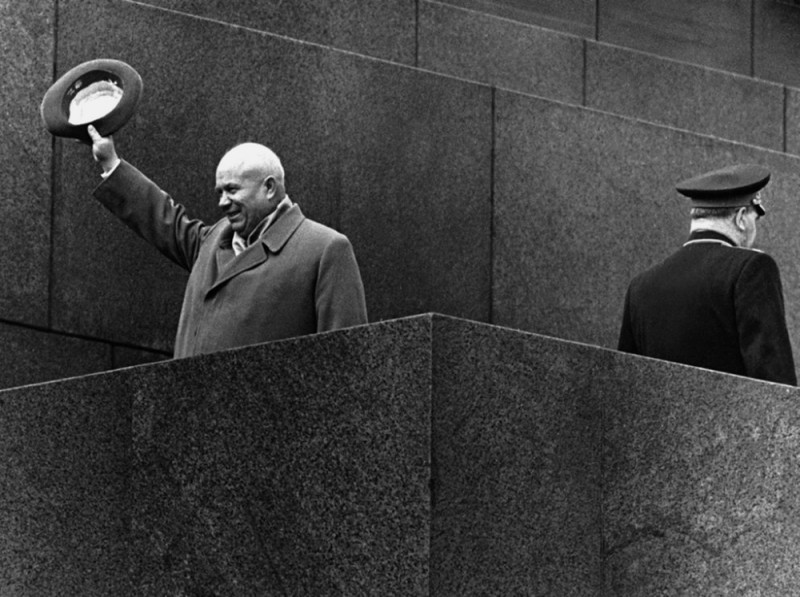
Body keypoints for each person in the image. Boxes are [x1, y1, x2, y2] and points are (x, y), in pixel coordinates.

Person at [86, 124, 368, 358]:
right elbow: (162, 218)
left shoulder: (324, 249)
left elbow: (343, 358)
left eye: (232, 190)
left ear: (269, 188)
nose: (222, 202)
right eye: (219, 191)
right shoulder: (211, 241)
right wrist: (110, 162)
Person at [618, 163, 796, 385]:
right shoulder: (751, 268)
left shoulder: (641, 286)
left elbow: (626, 382)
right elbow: (774, 378)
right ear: (741, 217)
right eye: (754, 219)